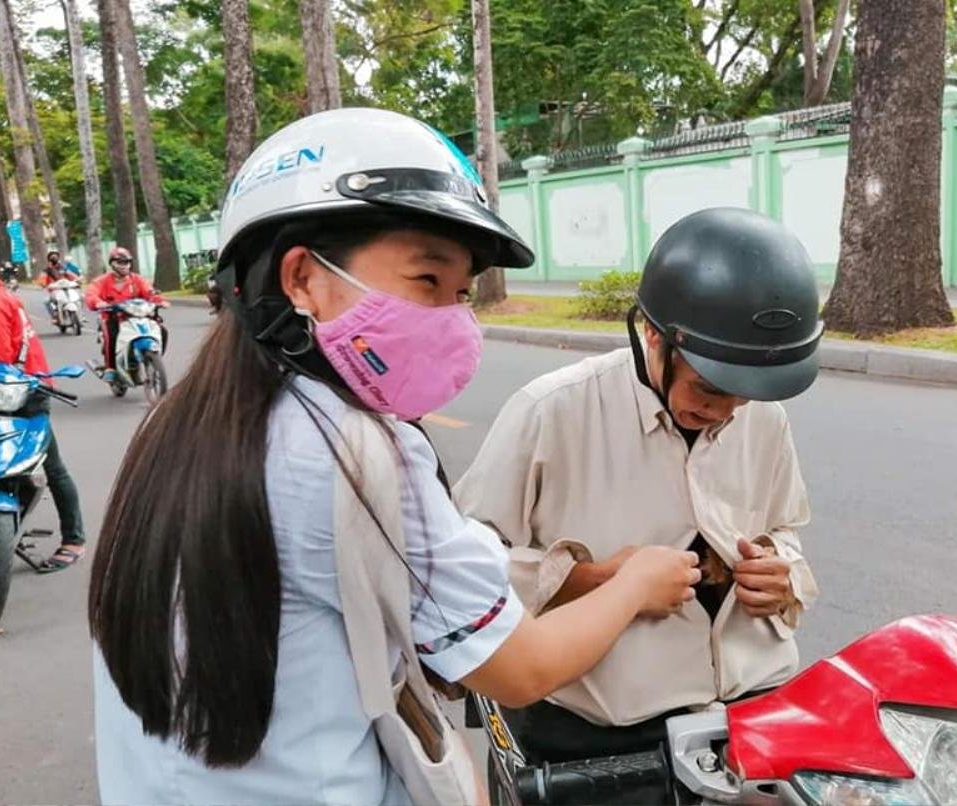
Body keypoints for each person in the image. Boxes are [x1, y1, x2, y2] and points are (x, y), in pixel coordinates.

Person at [88, 107, 700, 805]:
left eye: (462, 293)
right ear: (302, 279)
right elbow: (521, 670)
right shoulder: (349, 450)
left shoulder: (189, 420)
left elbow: (381, 564)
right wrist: (635, 586)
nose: (453, 319)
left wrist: (584, 579)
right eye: (426, 281)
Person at [454, 208, 824, 768]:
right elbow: (466, 574)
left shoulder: (761, 417)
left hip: (752, 715)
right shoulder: (550, 412)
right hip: (601, 742)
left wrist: (781, 573)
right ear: (652, 335)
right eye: (707, 388)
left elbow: (783, 527)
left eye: (742, 395)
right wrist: (602, 582)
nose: (723, 412)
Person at [0, 232, 86, 571]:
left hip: (18, 392)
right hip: (26, 386)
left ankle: (73, 539)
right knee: (51, 466)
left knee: (49, 465)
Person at [84, 246, 166, 373]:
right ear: (112, 264)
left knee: (161, 329)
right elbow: (91, 294)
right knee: (111, 336)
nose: (124, 266)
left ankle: (155, 356)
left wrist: (159, 301)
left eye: (126, 262)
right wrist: (98, 302)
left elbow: (150, 292)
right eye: (119, 262)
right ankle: (111, 368)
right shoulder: (101, 281)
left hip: (138, 315)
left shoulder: (137, 279)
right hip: (113, 318)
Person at [40, 251, 81, 323]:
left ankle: (81, 315)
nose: (54, 258)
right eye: (52, 257)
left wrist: (77, 279)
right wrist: (44, 284)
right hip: (54, 290)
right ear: (49, 259)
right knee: (46, 301)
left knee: (80, 297)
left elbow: (71, 275)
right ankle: (55, 316)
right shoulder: (46, 270)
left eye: (55, 256)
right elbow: (42, 279)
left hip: (67, 288)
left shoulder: (63, 268)